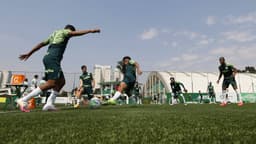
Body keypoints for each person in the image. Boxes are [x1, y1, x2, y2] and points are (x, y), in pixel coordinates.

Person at [18, 24, 100, 112]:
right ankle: (23, 100)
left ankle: (49, 104)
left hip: (49, 58)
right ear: (70, 30)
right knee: (51, 83)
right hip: (53, 59)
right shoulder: (65, 32)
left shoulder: (54, 34)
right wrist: (90, 31)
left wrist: (29, 53)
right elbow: (75, 33)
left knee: (61, 82)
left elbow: (41, 44)